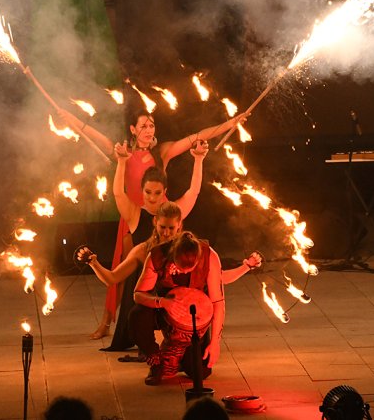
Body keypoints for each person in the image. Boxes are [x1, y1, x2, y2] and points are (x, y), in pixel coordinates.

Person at [56, 106, 246, 339]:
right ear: (133, 130)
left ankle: (177, 319)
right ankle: (109, 322)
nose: (148, 129)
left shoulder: (162, 152)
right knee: (126, 273)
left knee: (171, 269)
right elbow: (94, 135)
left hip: (163, 217)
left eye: (152, 125)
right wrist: (70, 118)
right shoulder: (123, 151)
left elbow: (196, 137)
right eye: (143, 125)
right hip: (134, 216)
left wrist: (232, 123)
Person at [77, 201, 262, 355]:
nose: (166, 233)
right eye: (162, 227)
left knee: (199, 368)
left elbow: (220, 279)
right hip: (159, 310)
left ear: (179, 225)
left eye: (171, 228)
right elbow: (112, 278)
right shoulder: (144, 251)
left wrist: (246, 266)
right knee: (137, 314)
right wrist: (93, 263)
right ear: (155, 223)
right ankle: (153, 354)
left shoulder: (191, 250)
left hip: (188, 315)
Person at [130, 231, 226, 386]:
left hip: (193, 319)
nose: (187, 272)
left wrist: (215, 342)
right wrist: (163, 302)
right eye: (182, 268)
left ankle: (178, 355)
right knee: (137, 314)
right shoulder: (158, 255)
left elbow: (218, 302)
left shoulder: (210, 256)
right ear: (173, 256)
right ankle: (157, 360)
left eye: (191, 268)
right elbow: (138, 294)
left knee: (201, 372)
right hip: (163, 311)